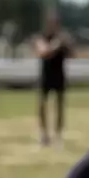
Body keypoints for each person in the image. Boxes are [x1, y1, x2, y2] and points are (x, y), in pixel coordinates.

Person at [33, 10, 73, 147]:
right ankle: (44, 135)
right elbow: (43, 52)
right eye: (51, 22)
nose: (53, 25)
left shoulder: (63, 39)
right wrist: (56, 44)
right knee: (42, 105)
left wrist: (67, 44)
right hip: (46, 75)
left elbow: (72, 54)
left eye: (56, 23)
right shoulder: (41, 37)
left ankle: (58, 135)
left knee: (59, 106)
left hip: (59, 75)